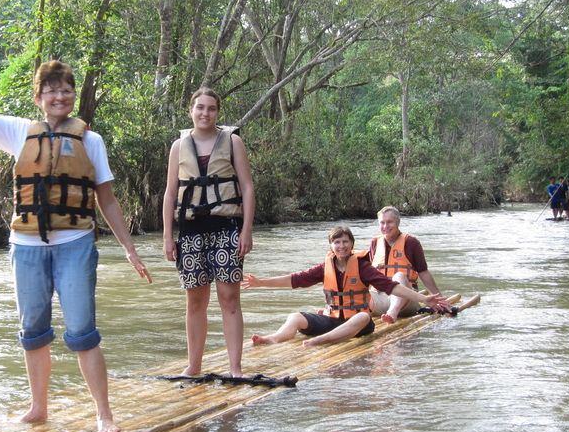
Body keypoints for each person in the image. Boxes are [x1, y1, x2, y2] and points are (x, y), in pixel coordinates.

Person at [0, 26, 151, 432]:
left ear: (72, 96)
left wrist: (130, 249)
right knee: (34, 331)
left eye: (65, 90)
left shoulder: (91, 141)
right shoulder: (18, 131)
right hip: (26, 246)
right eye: (51, 90)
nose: (59, 97)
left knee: (83, 330)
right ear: (38, 98)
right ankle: (38, 408)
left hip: (75, 244)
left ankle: (104, 413)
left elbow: (108, 200)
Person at [162, 87, 255, 377]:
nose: (205, 113)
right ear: (191, 110)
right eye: (200, 108)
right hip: (190, 232)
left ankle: (235, 368)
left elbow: (248, 187)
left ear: (218, 112)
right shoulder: (179, 147)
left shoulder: (233, 142)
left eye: (211, 108)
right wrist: (167, 235)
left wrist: (247, 230)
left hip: (227, 229)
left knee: (229, 299)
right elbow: (170, 194)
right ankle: (194, 366)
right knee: (195, 302)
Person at [242, 226, 448, 347]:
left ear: (352, 244)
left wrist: (424, 299)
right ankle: (273, 339)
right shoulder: (326, 267)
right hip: (333, 320)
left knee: (364, 316)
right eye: (337, 243)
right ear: (331, 246)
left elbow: (391, 286)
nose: (342, 246)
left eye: (345, 242)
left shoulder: (363, 266)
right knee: (295, 316)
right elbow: (296, 279)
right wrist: (261, 283)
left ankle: (319, 341)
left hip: (357, 325)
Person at [368, 206, 450, 324]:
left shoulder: (411, 242)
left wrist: (439, 299)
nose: (385, 227)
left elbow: (423, 272)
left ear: (398, 222)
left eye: (389, 222)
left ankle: (392, 312)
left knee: (399, 276)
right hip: (379, 298)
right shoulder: (375, 242)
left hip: (406, 301)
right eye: (382, 223)